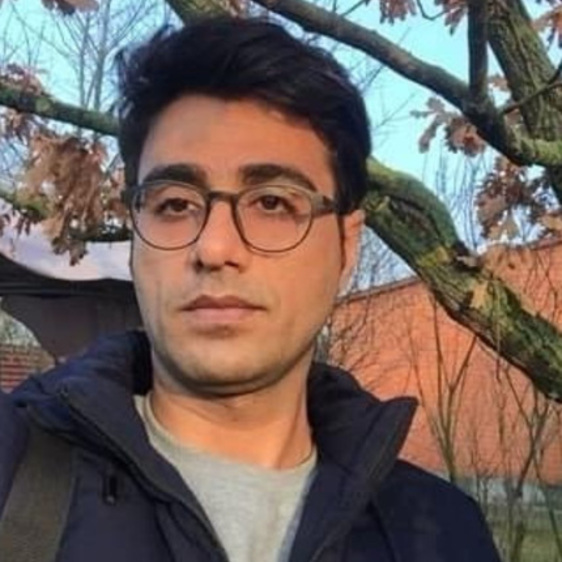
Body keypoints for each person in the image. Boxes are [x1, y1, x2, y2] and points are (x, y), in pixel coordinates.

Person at [0, 16, 501, 562]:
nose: (215, 248)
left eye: (272, 203)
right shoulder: (14, 474)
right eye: (175, 204)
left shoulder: (442, 535)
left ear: (346, 245)